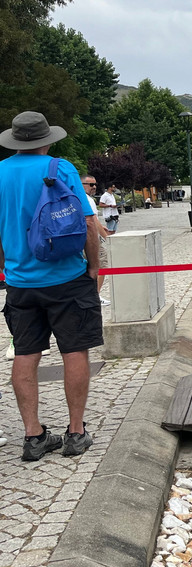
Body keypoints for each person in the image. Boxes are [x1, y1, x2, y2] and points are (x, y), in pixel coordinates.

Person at [0, 112, 102, 461]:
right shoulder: (60, 169)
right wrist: (94, 266)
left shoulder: (0, 173)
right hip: (67, 278)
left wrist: (9, 269)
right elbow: (88, 224)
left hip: (20, 284)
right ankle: (75, 433)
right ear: (46, 140)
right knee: (74, 351)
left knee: (26, 354)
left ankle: (33, 436)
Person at [82, 175, 112, 306]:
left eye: (95, 184)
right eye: (90, 184)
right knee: (101, 265)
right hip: (91, 238)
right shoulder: (87, 200)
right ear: (82, 184)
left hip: (81, 238)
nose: (94, 187)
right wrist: (107, 238)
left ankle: (88, 295)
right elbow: (92, 220)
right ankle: (95, 296)